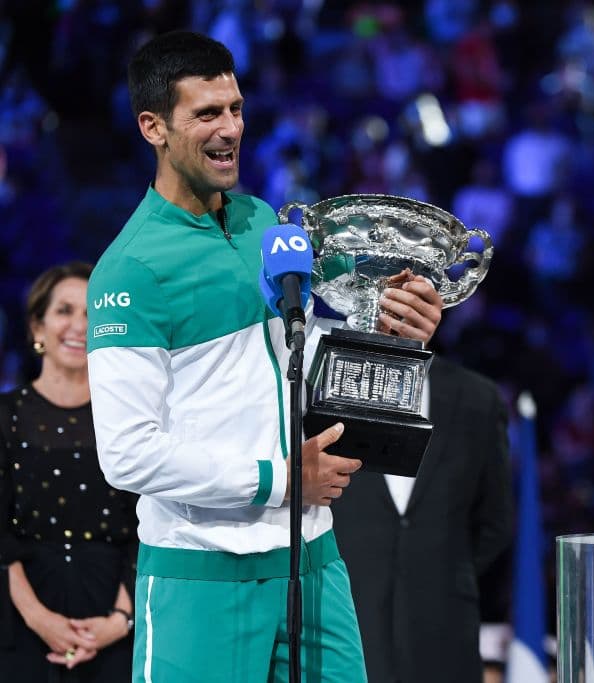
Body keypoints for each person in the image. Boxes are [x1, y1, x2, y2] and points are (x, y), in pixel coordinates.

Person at [85, 31, 442, 682]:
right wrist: (283, 478)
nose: (231, 128)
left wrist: (397, 325)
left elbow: (322, 350)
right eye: (207, 113)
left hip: (312, 557)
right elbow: (127, 451)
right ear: (152, 127)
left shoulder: (269, 226)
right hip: (203, 575)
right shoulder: (131, 270)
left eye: (237, 108)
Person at [331, 354, 513, 683]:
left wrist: (440, 570)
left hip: (444, 630)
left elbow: (495, 523)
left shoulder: (478, 398)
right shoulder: (326, 381)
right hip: (346, 626)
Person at [0, 262, 137, 681]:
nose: (79, 325)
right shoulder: (5, 417)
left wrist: (120, 620)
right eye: (64, 311)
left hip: (118, 617)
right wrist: (39, 618)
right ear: (37, 327)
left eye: (92, 314)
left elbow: (152, 521)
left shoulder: (133, 419)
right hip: (19, 619)